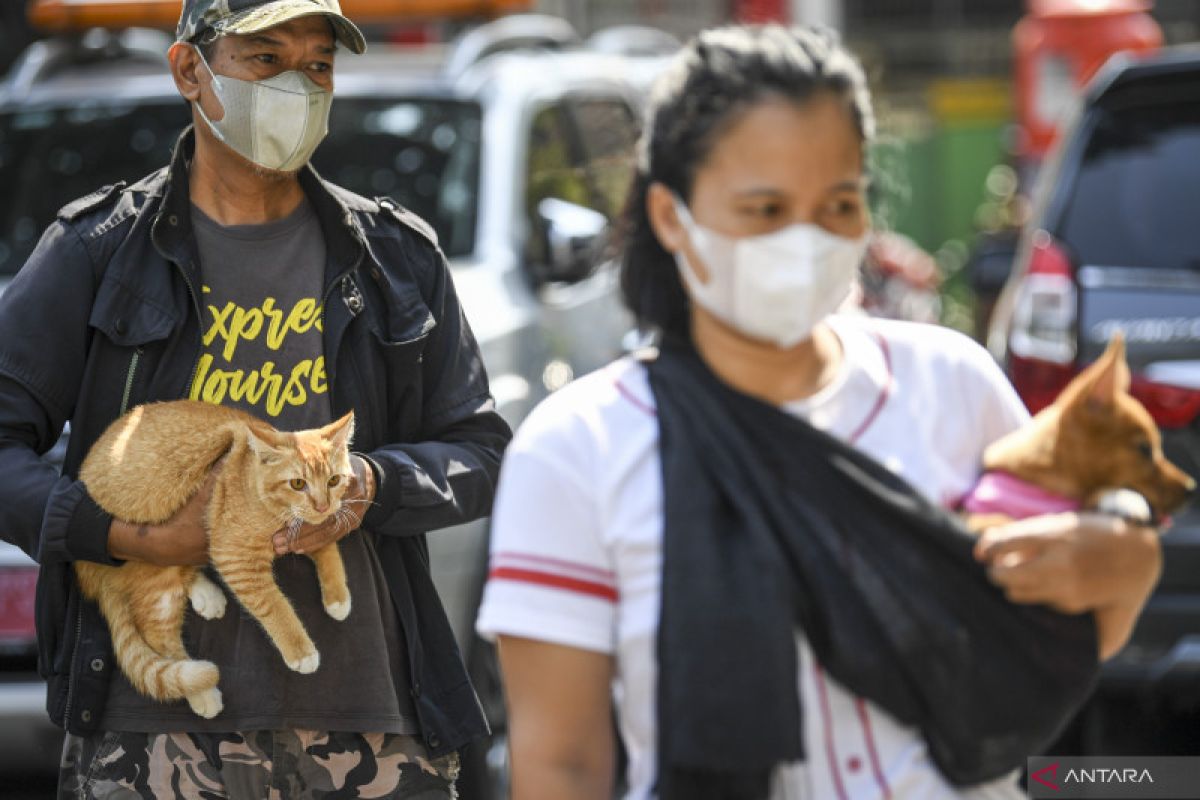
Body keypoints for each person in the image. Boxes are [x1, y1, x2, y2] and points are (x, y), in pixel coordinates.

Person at [475, 25, 1162, 800]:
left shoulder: (952, 386)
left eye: (838, 203)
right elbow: (563, 765)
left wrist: (1127, 564)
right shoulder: (578, 451)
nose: (805, 240)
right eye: (765, 208)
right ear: (671, 218)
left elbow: (1038, 649)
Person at [0, 0, 511, 796]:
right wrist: (123, 531)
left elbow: (479, 449)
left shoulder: (395, 260)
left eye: (317, 65)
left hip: (371, 724)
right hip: (151, 730)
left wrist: (371, 487)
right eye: (264, 60)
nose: (296, 87)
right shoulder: (98, 253)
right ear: (189, 71)